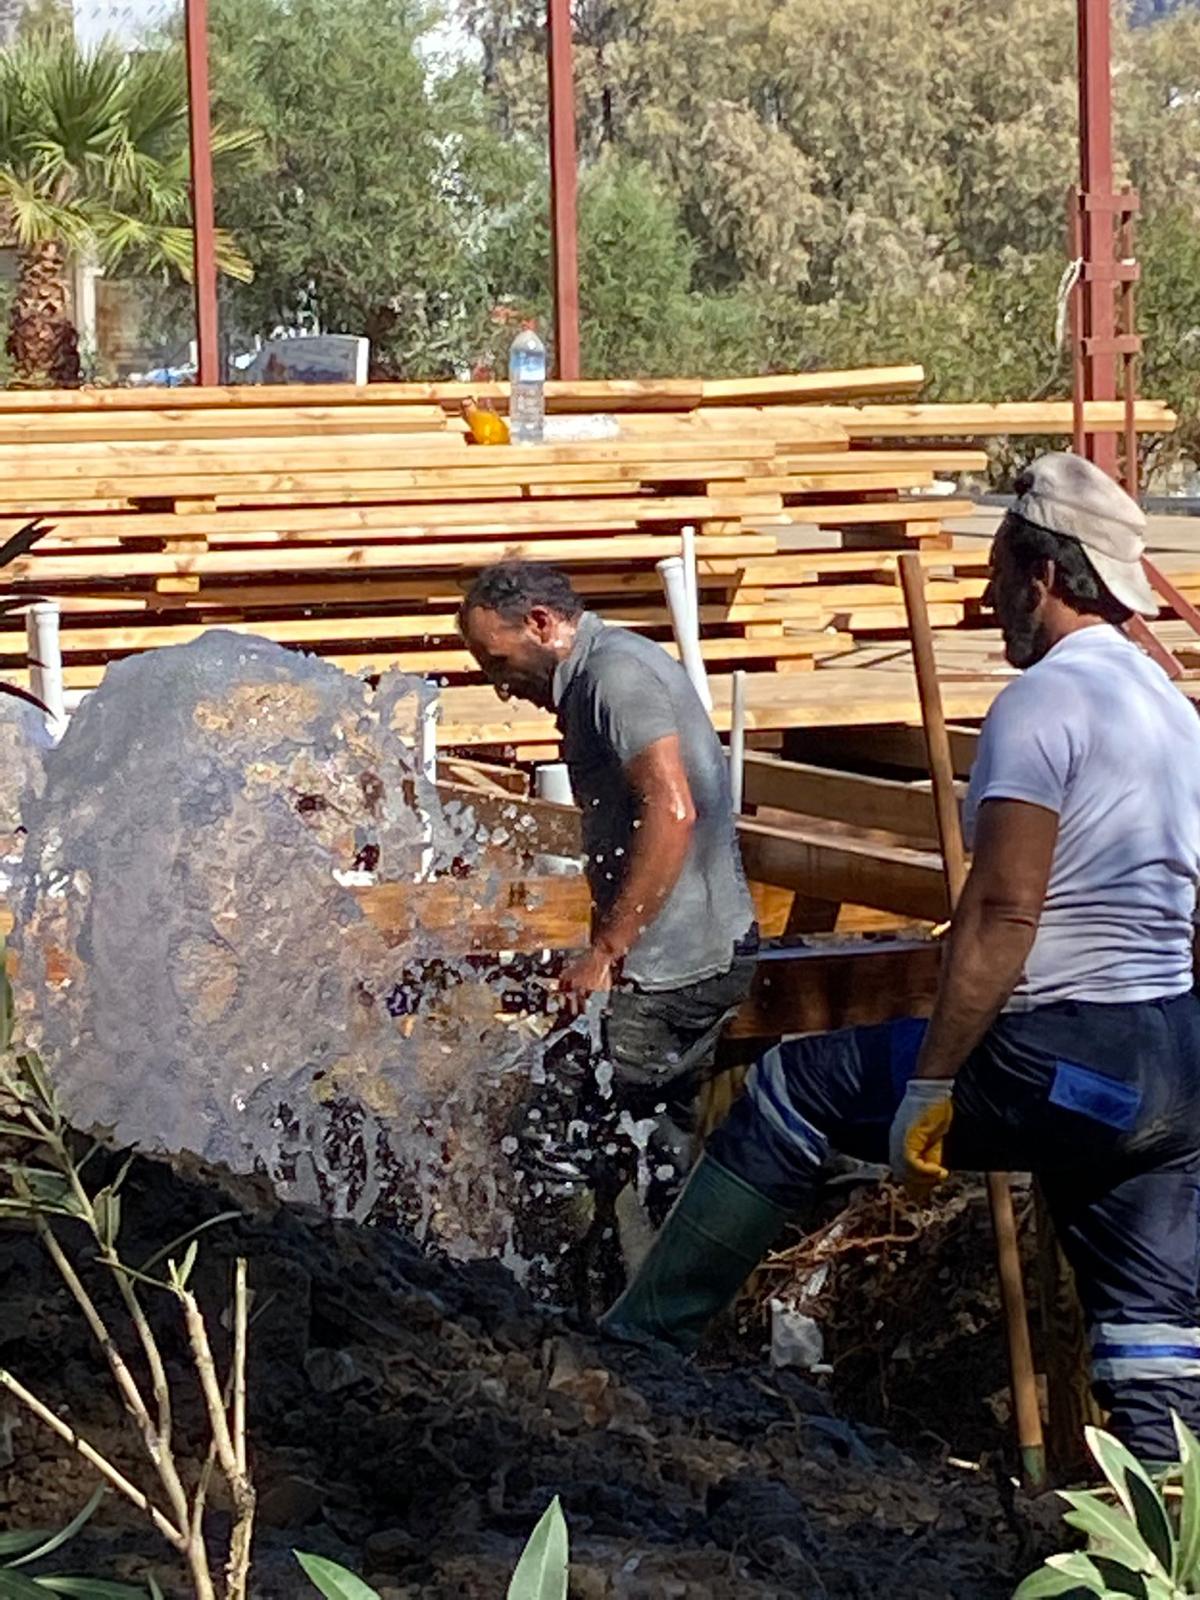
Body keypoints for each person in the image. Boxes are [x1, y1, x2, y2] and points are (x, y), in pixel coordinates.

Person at [600, 453, 1200, 1466]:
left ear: (1042, 574)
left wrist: (933, 1083)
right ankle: (1167, 1553)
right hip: (1171, 1066)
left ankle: (636, 1349)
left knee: (796, 1086)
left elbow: (1003, 910)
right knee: (1153, 1338)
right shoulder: (1172, 711)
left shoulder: (1044, 706)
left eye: (1000, 572)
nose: (984, 597)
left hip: (1068, 1055)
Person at [458, 560, 757, 1225]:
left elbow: (673, 812)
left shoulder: (613, 678)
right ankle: (663, 1302)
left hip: (673, 964)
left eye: (498, 661)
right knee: (654, 1144)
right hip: (685, 952)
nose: (502, 687)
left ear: (541, 623)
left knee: (546, 1141)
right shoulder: (603, 670)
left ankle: (564, 1316)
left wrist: (608, 948)